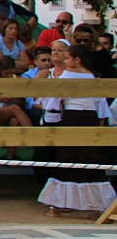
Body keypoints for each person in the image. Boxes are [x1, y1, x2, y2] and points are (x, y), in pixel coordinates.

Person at [38, 44, 116, 217]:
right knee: (69, 159)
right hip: (78, 118)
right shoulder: (75, 77)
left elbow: (99, 105)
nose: (64, 61)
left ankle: (91, 205)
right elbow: (100, 107)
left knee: (85, 160)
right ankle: (59, 204)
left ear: (77, 60)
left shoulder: (90, 78)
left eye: (67, 58)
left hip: (83, 119)